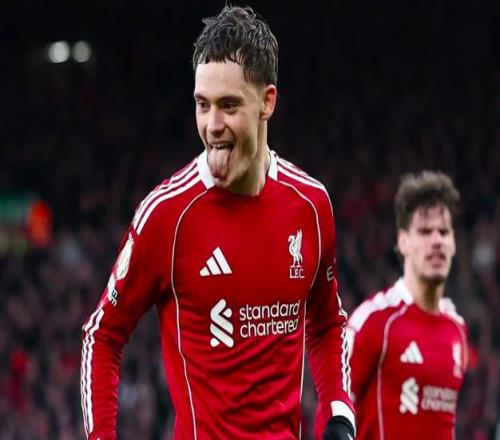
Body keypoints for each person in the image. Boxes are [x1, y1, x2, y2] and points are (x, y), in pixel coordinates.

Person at [80, 5, 355, 439]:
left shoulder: (311, 205)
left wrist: (339, 411)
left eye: (228, 106)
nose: (212, 125)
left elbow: (325, 323)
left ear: (267, 102)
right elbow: (103, 336)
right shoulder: (168, 214)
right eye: (202, 105)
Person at [315, 170, 468, 439]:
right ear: (403, 241)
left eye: (443, 232)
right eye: (425, 231)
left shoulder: (457, 329)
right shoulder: (375, 321)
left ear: (454, 243)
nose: (436, 241)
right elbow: (330, 414)